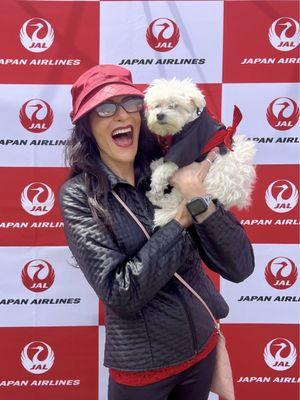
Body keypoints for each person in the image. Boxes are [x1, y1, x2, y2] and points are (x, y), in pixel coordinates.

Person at [59, 64, 255, 400]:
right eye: (105, 108)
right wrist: (181, 220)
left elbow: (240, 265)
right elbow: (121, 292)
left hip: (202, 352)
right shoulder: (80, 195)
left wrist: (199, 199)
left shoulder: (171, 168)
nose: (121, 115)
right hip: (141, 373)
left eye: (130, 104)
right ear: (87, 126)